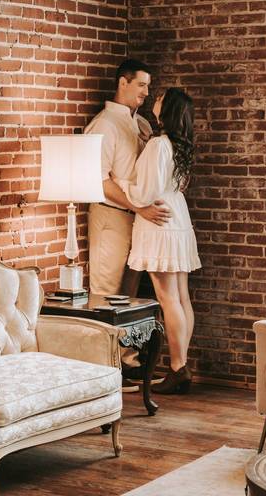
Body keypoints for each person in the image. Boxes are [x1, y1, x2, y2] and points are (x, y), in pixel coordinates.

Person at [117, 87, 200, 395]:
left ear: (169, 109)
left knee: (168, 298)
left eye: (162, 96)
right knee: (181, 296)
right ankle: (183, 364)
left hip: (160, 222)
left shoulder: (158, 145)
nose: (156, 97)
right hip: (178, 219)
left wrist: (119, 181)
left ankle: (178, 367)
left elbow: (144, 192)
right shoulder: (181, 145)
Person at [85, 59, 171, 297]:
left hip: (140, 219)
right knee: (106, 293)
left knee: (129, 296)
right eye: (141, 85)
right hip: (112, 218)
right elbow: (97, 182)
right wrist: (139, 207)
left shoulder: (141, 123)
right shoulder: (104, 124)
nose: (146, 92)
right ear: (123, 83)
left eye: (147, 86)